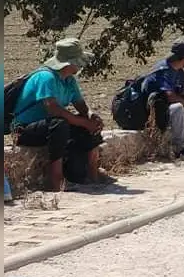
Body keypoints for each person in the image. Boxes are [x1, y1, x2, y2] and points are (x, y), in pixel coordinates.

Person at [11, 38, 110, 190]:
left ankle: (92, 170)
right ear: (69, 63)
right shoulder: (46, 77)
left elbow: (81, 106)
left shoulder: (69, 80)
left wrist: (91, 117)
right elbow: (53, 109)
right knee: (60, 123)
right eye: (78, 61)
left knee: (85, 124)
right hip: (25, 129)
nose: (80, 65)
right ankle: (55, 178)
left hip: (49, 128)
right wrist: (84, 122)